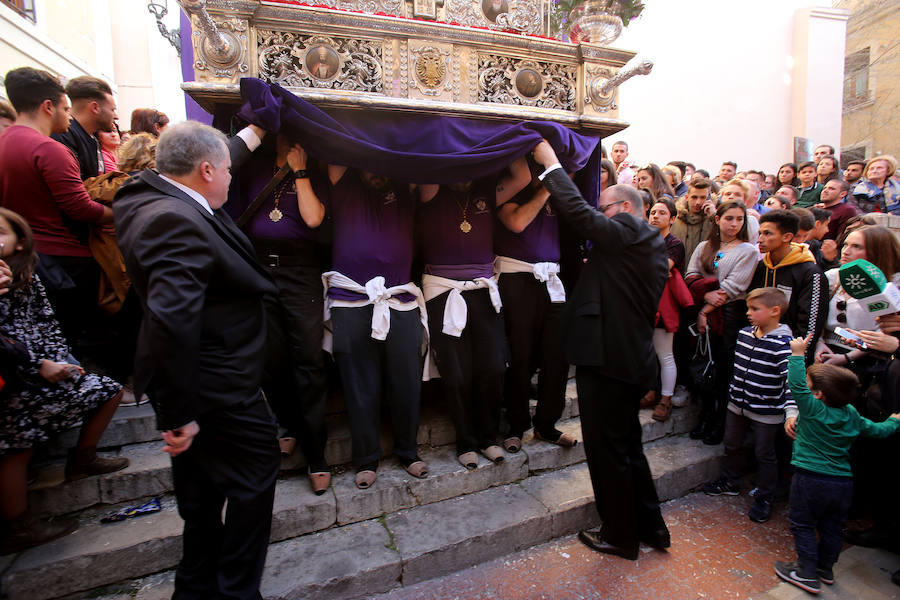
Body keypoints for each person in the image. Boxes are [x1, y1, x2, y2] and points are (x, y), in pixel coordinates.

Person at [115, 121, 280, 599]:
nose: (232, 176)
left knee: (201, 498)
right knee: (251, 481)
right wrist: (180, 413)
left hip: (200, 381)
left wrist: (257, 129)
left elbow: (220, 152)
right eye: (227, 170)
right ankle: (235, 592)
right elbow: (172, 319)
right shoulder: (175, 221)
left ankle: (195, 588)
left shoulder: (152, 192)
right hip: (215, 388)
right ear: (205, 170)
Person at [533, 140, 671, 561]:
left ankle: (620, 536)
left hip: (609, 362)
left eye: (605, 209)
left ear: (625, 210)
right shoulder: (643, 245)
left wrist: (551, 166)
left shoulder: (632, 230)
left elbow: (582, 218)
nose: (598, 216)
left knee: (608, 453)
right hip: (625, 360)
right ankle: (651, 528)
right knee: (628, 447)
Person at [0, 208, 127, 554]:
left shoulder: (29, 276)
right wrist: (38, 365)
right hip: (12, 380)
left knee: (109, 389)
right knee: (18, 440)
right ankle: (16, 525)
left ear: (21, 240)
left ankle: (82, 459)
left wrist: (61, 362)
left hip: (38, 370)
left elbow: (47, 325)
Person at [228, 135, 332, 495]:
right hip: (258, 269)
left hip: (299, 272)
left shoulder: (313, 171)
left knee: (308, 360)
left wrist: (300, 170)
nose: (289, 138)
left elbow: (313, 218)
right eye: (284, 133)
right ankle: (286, 425)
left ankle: (316, 453)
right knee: (270, 359)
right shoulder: (253, 169)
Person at [420, 159, 530, 468]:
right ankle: (466, 442)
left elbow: (522, 175)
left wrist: (510, 135)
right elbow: (432, 163)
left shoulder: (486, 192)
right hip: (444, 292)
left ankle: (488, 438)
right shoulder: (432, 190)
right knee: (456, 373)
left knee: (494, 366)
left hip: (483, 290)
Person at [323, 165, 428, 488]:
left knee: (407, 382)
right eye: (366, 164)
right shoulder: (343, 180)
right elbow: (340, 149)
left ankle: (408, 451)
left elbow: (416, 154)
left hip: (400, 300)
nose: (373, 169)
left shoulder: (405, 185)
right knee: (359, 385)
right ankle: (366, 459)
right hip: (350, 300)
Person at [774, 334, 900, 595]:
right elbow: (878, 431)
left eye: (811, 387)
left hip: (809, 479)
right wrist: (896, 420)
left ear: (819, 394)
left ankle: (806, 573)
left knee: (803, 524)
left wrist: (797, 354)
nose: (806, 389)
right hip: (842, 483)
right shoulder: (852, 414)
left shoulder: (812, 409)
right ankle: (825, 569)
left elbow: (795, 384)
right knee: (832, 526)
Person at [0, 67, 113, 349]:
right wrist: (117, 214)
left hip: (20, 254)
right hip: (63, 259)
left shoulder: (4, 142)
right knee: (77, 335)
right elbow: (78, 208)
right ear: (47, 107)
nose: (69, 116)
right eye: (65, 108)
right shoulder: (49, 149)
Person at [494, 158, 574, 454]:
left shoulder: (555, 196)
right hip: (517, 279)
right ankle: (516, 425)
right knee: (520, 355)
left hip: (551, 280)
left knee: (557, 355)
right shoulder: (510, 192)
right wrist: (547, 189)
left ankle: (547, 423)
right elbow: (516, 222)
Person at [702, 287, 794, 523]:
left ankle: (765, 496)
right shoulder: (744, 334)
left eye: (755, 309)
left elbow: (792, 382)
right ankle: (730, 480)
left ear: (775, 311)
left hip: (766, 412)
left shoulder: (785, 345)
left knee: (764, 453)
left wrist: (792, 410)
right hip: (737, 405)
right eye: (748, 308)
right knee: (732, 443)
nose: (749, 313)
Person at [686, 201, 759, 445]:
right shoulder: (705, 247)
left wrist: (705, 310)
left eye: (740, 219)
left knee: (723, 367)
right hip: (704, 309)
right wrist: (704, 297)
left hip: (728, 314)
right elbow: (691, 275)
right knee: (705, 364)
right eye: (730, 218)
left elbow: (733, 286)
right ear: (718, 219)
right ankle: (705, 417)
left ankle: (719, 422)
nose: (735, 224)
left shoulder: (748, 250)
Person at [750, 210, 827, 364]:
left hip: (787, 356)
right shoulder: (762, 266)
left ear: (787, 237)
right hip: (758, 348)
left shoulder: (810, 273)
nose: (760, 239)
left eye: (767, 234)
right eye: (760, 233)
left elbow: (810, 323)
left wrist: (796, 357)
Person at [646, 198, 691, 422]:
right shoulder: (645, 240)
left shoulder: (674, 244)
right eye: (653, 212)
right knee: (648, 353)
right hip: (645, 302)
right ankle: (651, 391)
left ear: (672, 219)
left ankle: (665, 399)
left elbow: (661, 269)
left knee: (665, 354)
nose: (655, 216)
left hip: (665, 306)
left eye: (662, 213)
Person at [51, 76, 117, 180]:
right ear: (95, 108)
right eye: (112, 110)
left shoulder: (92, 138)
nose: (115, 116)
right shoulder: (64, 137)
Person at [670, 178, 715, 262]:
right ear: (687, 197)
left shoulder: (714, 219)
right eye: (694, 197)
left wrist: (713, 217)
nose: (698, 202)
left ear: (708, 198)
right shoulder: (675, 217)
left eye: (703, 198)